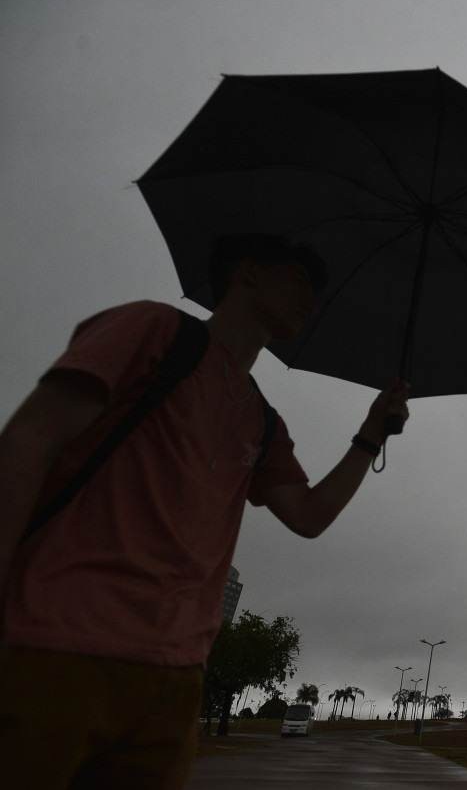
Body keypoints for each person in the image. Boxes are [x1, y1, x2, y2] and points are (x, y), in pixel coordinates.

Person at [0, 234, 410, 788]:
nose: (309, 301)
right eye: (298, 280)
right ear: (247, 273)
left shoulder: (262, 421)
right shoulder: (152, 331)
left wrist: (369, 435)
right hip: (54, 645)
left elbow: (309, 516)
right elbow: (30, 439)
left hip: (174, 677)